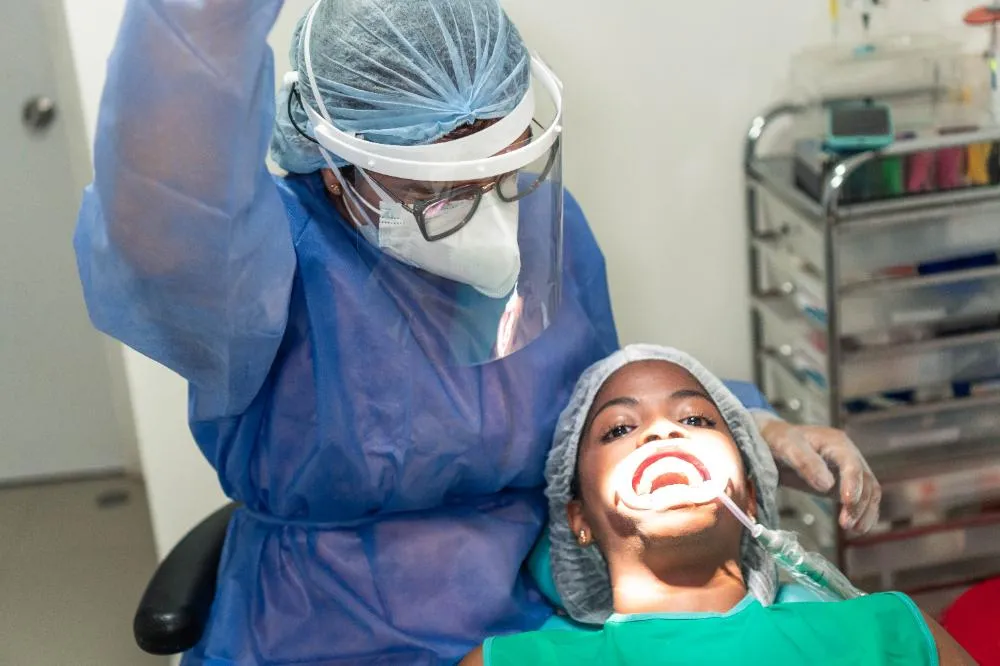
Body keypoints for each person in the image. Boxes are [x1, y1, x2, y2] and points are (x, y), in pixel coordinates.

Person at [73, 1, 881, 664]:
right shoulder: (260, 268)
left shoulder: (541, 229)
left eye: (501, 168)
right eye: (438, 189)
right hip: (318, 635)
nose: (489, 212)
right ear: (335, 164)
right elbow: (166, 201)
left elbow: (599, 402)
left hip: (532, 621)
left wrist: (755, 429)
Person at [462, 345, 973, 665]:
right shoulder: (510, 662)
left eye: (697, 420)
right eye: (619, 428)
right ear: (579, 520)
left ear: (750, 493)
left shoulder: (892, 632)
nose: (663, 432)